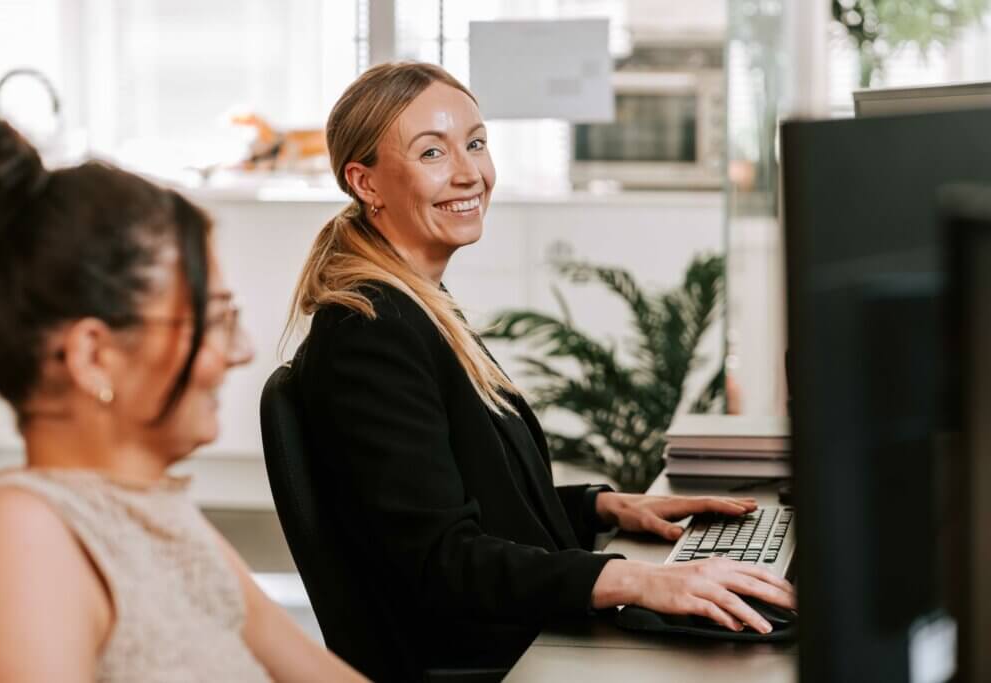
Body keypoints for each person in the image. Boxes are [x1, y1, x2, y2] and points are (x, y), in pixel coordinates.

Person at [286, 62, 796, 681]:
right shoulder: (372, 332)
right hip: (497, 659)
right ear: (366, 182)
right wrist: (635, 580)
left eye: (475, 143)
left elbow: (460, 493)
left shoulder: (415, 303)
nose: (469, 172)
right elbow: (440, 558)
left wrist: (606, 508)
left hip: (515, 637)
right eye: (432, 153)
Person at [0, 113, 365, 683]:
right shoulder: (21, 538)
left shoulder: (161, 515)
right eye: (215, 320)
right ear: (94, 355)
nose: (242, 351)